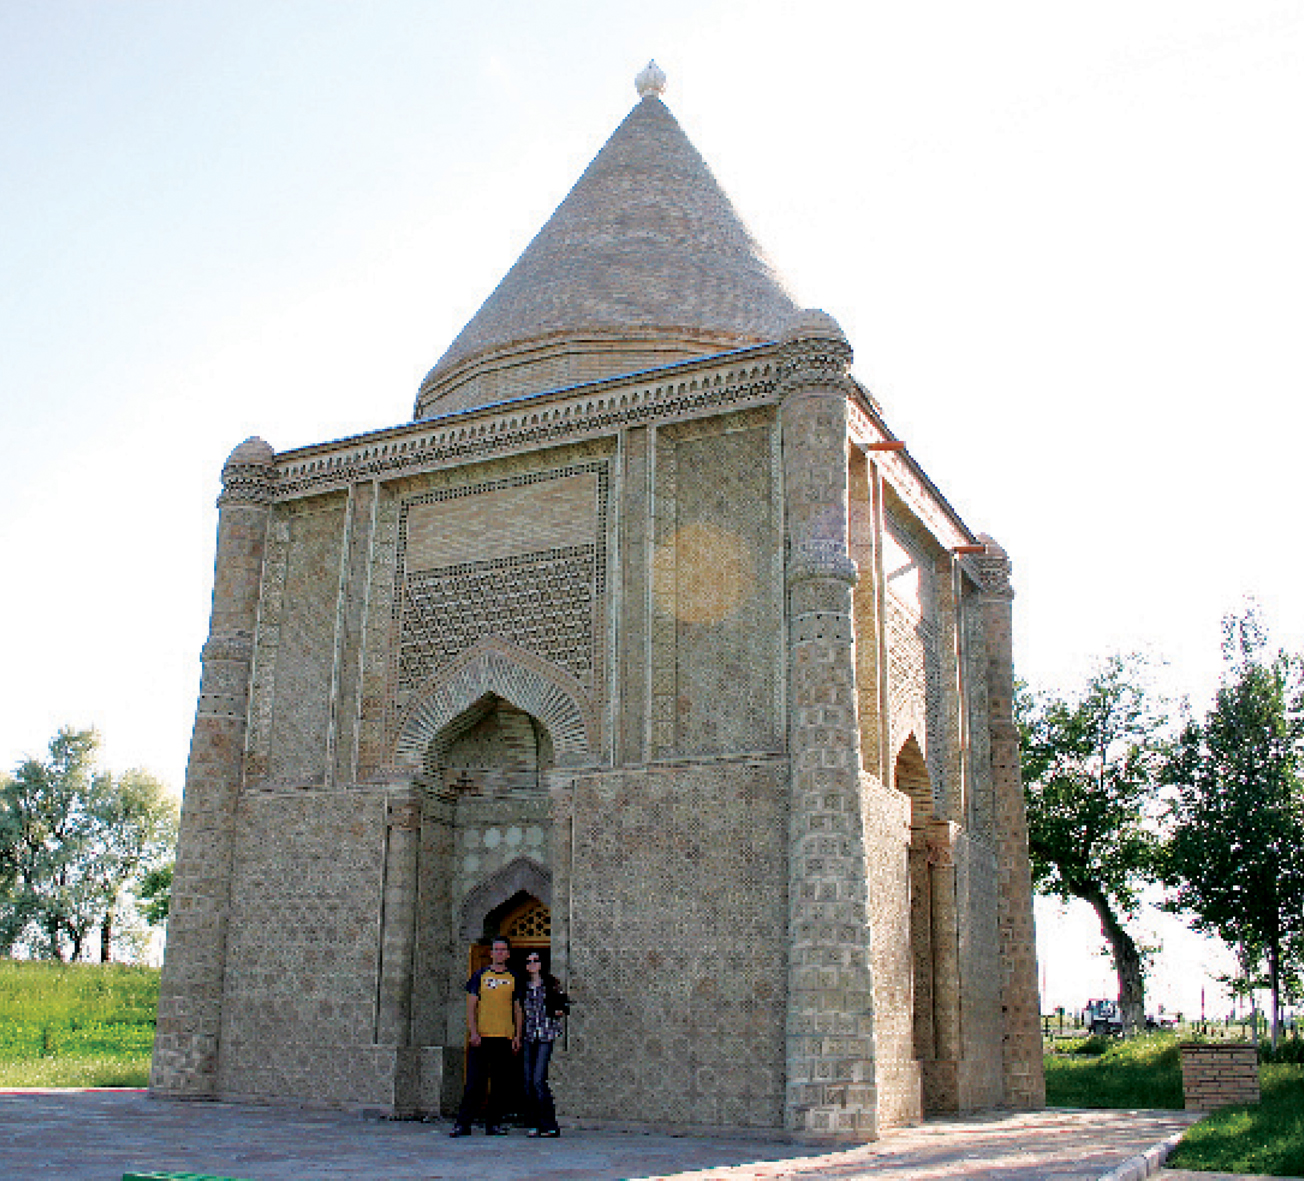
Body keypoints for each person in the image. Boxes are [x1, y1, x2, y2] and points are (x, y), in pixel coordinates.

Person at [449, 935, 523, 1137]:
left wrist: (517, 1035)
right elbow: (471, 1006)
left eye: (503, 950)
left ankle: (494, 1124)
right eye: (496, 949)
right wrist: (473, 1032)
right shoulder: (480, 975)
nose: (499, 953)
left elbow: (517, 1009)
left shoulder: (513, 978)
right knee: (475, 1082)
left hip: (504, 1037)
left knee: (499, 1084)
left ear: (508, 954)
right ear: (490, 953)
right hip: (482, 1037)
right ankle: (463, 1124)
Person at [520, 950, 569, 1138]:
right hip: (529, 1035)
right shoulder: (523, 986)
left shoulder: (551, 984)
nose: (532, 964)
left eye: (535, 960)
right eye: (528, 961)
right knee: (528, 1081)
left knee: (539, 1080)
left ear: (542, 963)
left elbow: (563, 1005)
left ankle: (549, 1125)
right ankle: (533, 1123)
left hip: (545, 1035)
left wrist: (559, 1011)